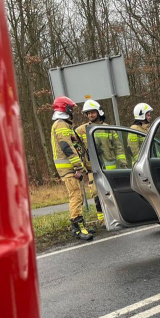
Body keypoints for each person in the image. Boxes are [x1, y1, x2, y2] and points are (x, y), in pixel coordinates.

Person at [75, 99, 125, 224]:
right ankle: (102, 220)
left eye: (93, 112)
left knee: (111, 193)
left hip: (110, 167)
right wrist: (79, 165)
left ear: (99, 112)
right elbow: (75, 146)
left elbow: (118, 147)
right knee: (96, 194)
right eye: (88, 113)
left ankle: (116, 217)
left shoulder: (108, 128)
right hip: (92, 168)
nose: (90, 115)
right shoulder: (81, 130)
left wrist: (122, 162)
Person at [50, 96, 93, 241]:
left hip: (70, 167)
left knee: (77, 195)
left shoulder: (64, 124)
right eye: (71, 108)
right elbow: (66, 147)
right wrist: (78, 167)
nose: (72, 110)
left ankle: (78, 227)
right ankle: (78, 228)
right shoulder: (61, 125)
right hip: (68, 168)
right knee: (75, 196)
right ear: (65, 108)